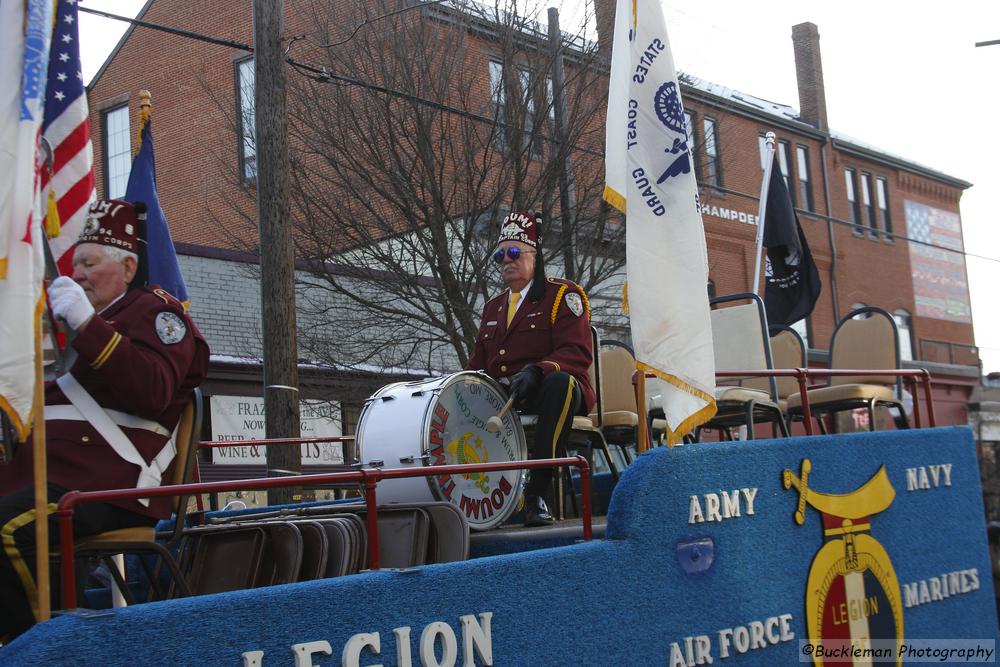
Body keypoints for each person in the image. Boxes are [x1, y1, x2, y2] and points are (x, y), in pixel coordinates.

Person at [0, 199, 209, 640]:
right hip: (40, 478)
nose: (76, 275)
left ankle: (34, 649)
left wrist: (85, 321)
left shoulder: (154, 314)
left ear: (128, 267)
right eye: (74, 265)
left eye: (90, 263)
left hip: (105, 486)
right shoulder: (63, 325)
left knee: (6, 530)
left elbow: (152, 391)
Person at [466, 210, 594, 526]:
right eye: (499, 255)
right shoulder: (492, 308)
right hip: (506, 394)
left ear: (533, 257)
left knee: (560, 384)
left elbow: (577, 351)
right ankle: (471, 497)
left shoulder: (562, 295)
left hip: (550, 388)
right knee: (463, 395)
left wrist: (538, 370)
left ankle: (537, 492)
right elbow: (478, 364)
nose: (506, 261)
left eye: (514, 253)